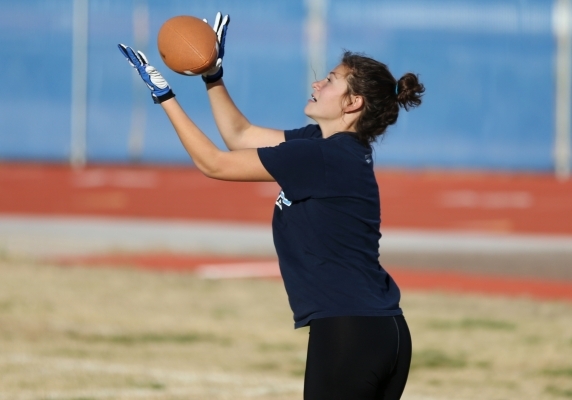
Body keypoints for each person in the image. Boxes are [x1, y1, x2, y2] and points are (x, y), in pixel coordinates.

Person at [118, 11, 424, 400]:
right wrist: (212, 76)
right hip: (385, 331)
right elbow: (240, 135)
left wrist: (164, 96)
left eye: (330, 80)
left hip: (350, 333)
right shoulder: (326, 146)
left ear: (353, 102)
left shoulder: (322, 157)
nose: (317, 82)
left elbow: (214, 163)